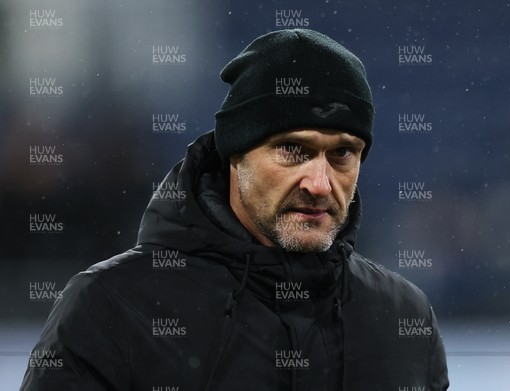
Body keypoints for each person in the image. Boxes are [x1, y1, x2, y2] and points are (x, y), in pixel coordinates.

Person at [21, 29, 449, 391]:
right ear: (234, 155)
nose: (319, 184)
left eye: (342, 154)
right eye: (292, 149)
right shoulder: (109, 309)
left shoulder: (404, 319)